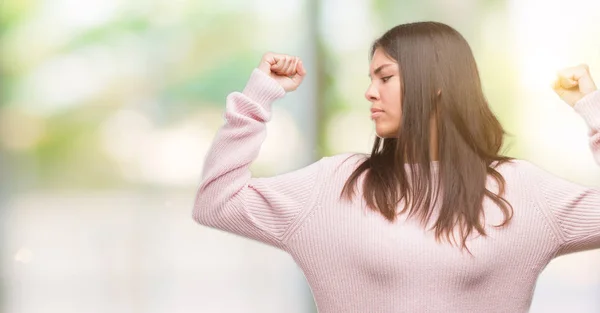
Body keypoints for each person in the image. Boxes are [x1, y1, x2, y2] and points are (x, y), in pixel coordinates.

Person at [193, 21, 600, 312]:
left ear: (436, 82)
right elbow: (216, 202)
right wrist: (258, 96)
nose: (369, 92)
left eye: (384, 77)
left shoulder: (520, 190)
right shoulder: (333, 185)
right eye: (370, 78)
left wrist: (592, 109)